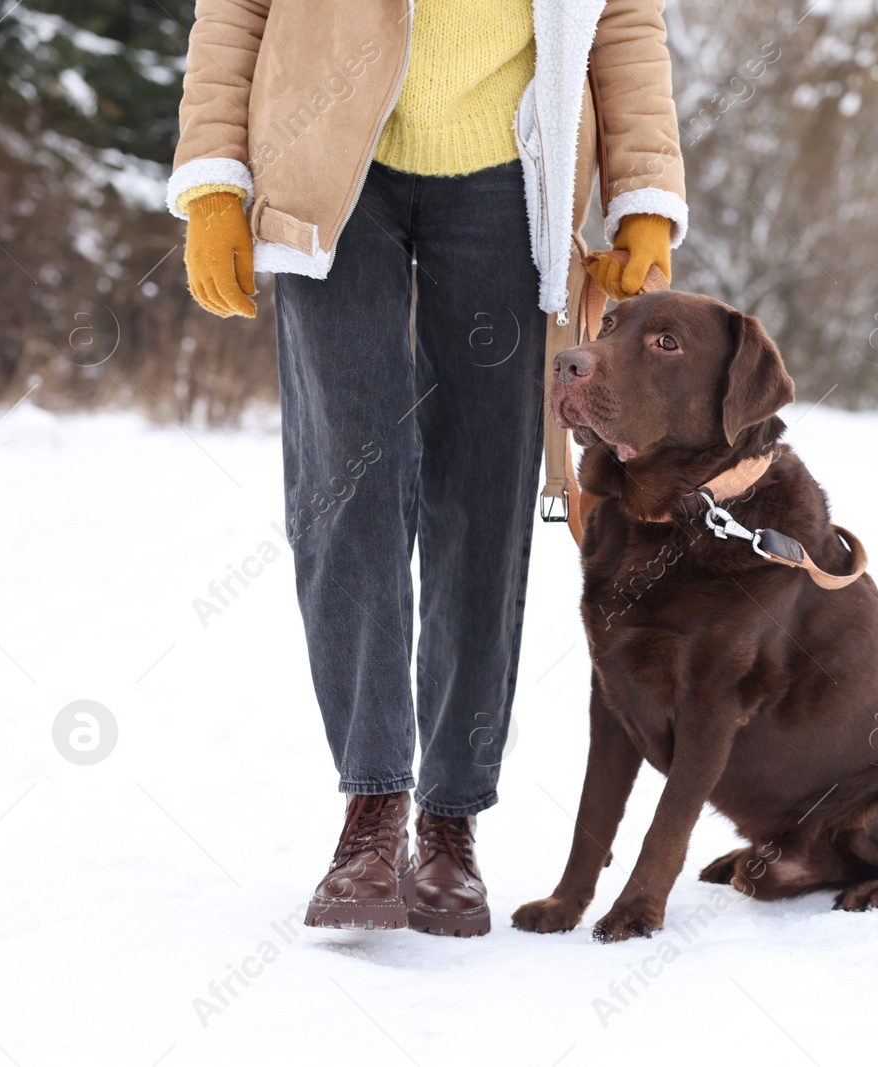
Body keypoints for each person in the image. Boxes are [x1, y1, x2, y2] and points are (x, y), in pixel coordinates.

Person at [165, 0, 688, 937]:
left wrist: (644, 195)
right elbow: (234, 10)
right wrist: (213, 182)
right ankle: (373, 811)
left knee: (483, 494)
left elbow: (624, 22)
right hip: (330, 167)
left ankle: (450, 821)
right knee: (347, 485)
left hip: (508, 178)